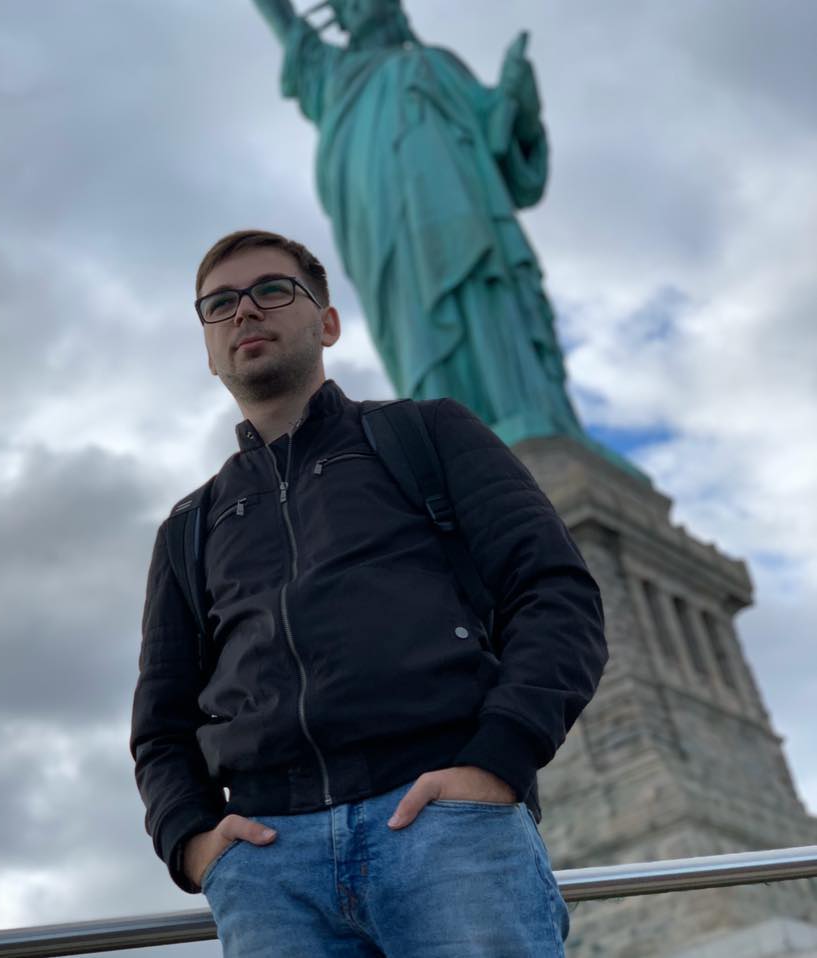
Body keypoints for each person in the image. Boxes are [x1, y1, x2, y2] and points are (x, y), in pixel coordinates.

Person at [131, 229, 607, 957]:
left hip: (445, 830)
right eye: (219, 304)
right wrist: (193, 842)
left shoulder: (428, 434)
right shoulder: (189, 526)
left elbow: (555, 593)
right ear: (209, 348)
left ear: (326, 323)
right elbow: (161, 725)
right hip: (270, 868)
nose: (244, 311)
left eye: (271, 290)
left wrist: (497, 759)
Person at [249, 0, 591, 452]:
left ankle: (526, 411)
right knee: (417, 324)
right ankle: (453, 441)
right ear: (341, 17)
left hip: (467, 209)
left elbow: (504, 144)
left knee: (487, 291)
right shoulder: (331, 73)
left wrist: (518, 101)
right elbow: (281, 19)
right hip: (386, 229)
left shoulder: (439, 64)